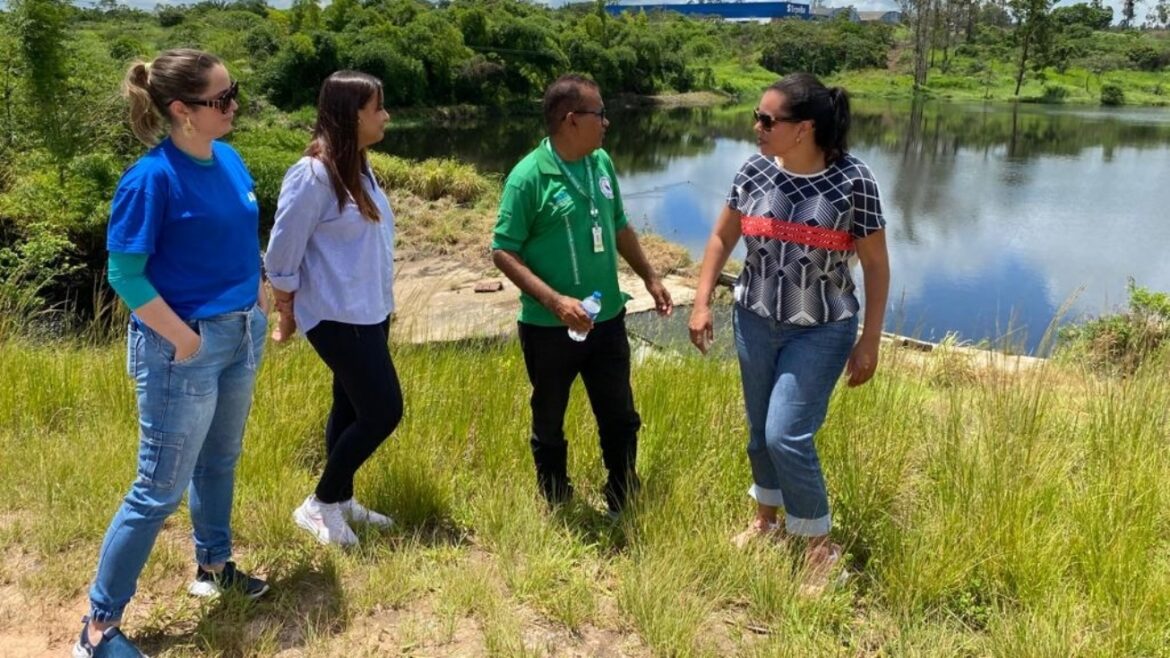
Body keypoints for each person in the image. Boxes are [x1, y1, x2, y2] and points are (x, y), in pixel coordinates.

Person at [76, 49, 269, 658]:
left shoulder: (229, 158)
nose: (234, 105)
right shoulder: (150, 179)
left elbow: (240, 236)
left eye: (233, 91)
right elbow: (125, 274)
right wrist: (185, 339)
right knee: (158, 488)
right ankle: (98, 627)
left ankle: (213, 566)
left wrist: (259, 293)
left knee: (220, 460)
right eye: (222, 98)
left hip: (240, 333)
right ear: (182, 110)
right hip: (181, 347)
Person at [687, 73, 890, 586]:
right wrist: (701, 302)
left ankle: (819, 549)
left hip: (819, 329)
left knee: (787, 434)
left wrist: (870, 339)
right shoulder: (753, 170)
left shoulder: (853, 181)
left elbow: (876, 265)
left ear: (803, 129)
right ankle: (766, 523)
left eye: (766, 119)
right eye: (756, 117)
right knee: (760, 433)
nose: (756, 126)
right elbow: (721, 238)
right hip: (754, 320)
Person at [491, 74, 673, 517]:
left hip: (606, 319)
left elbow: (619, 225)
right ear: (571, 119)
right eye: (600, 113)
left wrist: (650, 277)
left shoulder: (601, 163)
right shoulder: (528, 177)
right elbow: (503, 251)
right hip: (548, 327)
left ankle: (622, 495)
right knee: (549, 418)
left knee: (620, 415)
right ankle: (557, 500)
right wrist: (555, 301)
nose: (606, 122)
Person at [264, 71, 400, 547]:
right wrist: (286, 309)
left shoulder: (358, 167)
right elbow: (281, 251)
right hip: (337, 315)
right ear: (351, 114)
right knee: (383, 411)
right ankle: (319, 503)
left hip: (369, 310)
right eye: (377, 108)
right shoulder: (314, 174)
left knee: (350, 405)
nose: (386, 116)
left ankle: (341, 500)